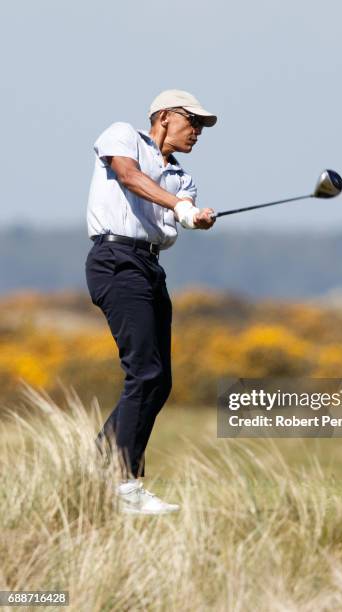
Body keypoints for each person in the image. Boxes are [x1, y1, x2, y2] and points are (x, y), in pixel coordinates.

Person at [85, 89, 217, 515]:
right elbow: (127, 176)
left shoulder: (182, 178)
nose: (197, 132)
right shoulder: (124, 136)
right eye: (191, 122)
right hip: (115, 258)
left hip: (149, 267)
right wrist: (179, 206)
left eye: (200, 126)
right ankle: (124, 485)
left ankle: (94, 473)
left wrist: (195, 215)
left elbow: (181, 212)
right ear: (164, 117)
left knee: (158, 380)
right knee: (144, 371)